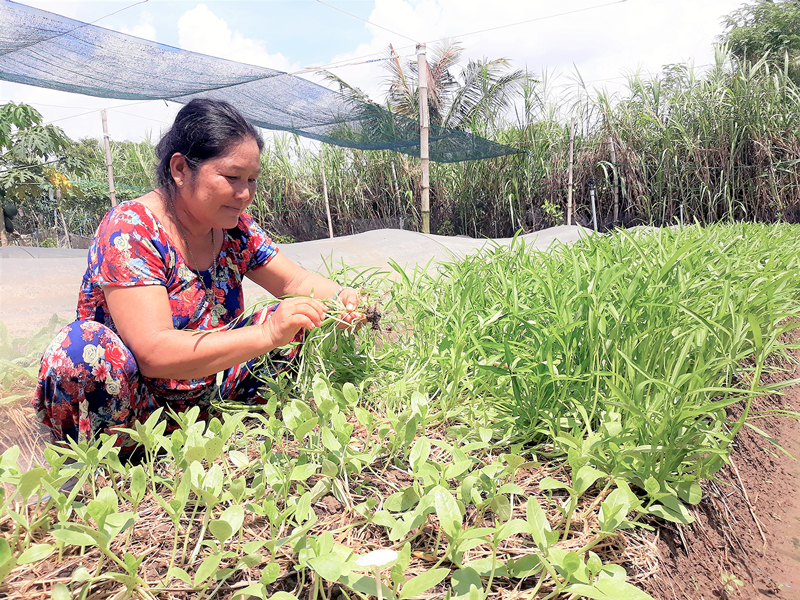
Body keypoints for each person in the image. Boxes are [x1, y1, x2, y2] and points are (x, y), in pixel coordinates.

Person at [33, 98, 361, 458]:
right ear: (179, 169)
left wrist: (344, 298)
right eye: (232, 177)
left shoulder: (236, 229)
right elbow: (154, 352)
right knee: (81, 350)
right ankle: (106, 460)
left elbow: (294, 283)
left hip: (212, 393)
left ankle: (234, 430)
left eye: (252, 180)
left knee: (296, 313)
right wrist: (266, 335)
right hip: (135, 410)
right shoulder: (131, 230)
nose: (245, 194)